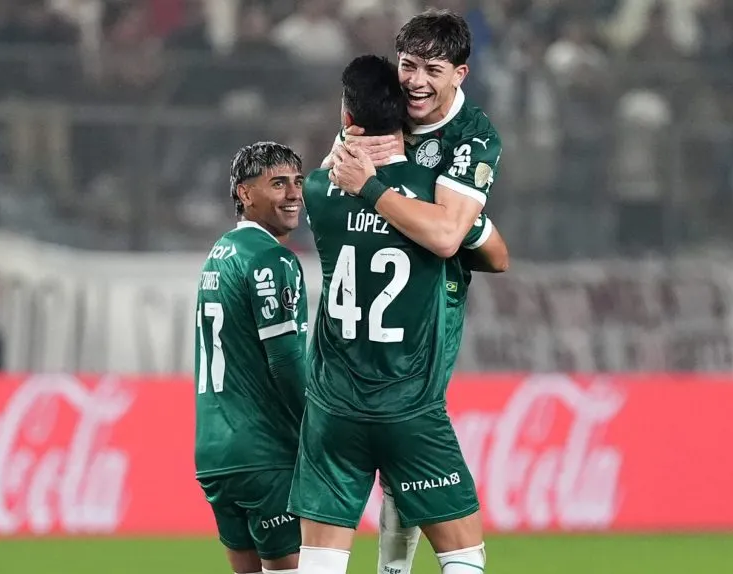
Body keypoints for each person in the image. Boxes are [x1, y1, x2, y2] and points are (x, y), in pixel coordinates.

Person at [290, 54, 487, 574]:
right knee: (464, 554)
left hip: (334, 407)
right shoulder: (431, 199)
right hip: (409, 404)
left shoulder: (318, 191)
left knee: (318, 561)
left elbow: (336, 163)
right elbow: (491, 252)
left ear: (347, 118)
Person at [327, 10, 507, 574]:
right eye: (408, 65)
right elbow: (473, 242)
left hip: (425, 324)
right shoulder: (382, 112)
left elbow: (454, 237)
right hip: (375, 342)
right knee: (404, 461)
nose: (416, 81)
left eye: (433, 69)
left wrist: (374, 187)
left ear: (461, 74)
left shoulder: (471, 136)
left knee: (401, 469)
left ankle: (392, 568)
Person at [194, 142, 308, 574]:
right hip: (265, 450)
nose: (294, 193)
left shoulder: (219, 254)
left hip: (215, 453)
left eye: (297, 182)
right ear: (244, 194)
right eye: (278, 183)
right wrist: (318, 429)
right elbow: (285, 361)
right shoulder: (271, 259)